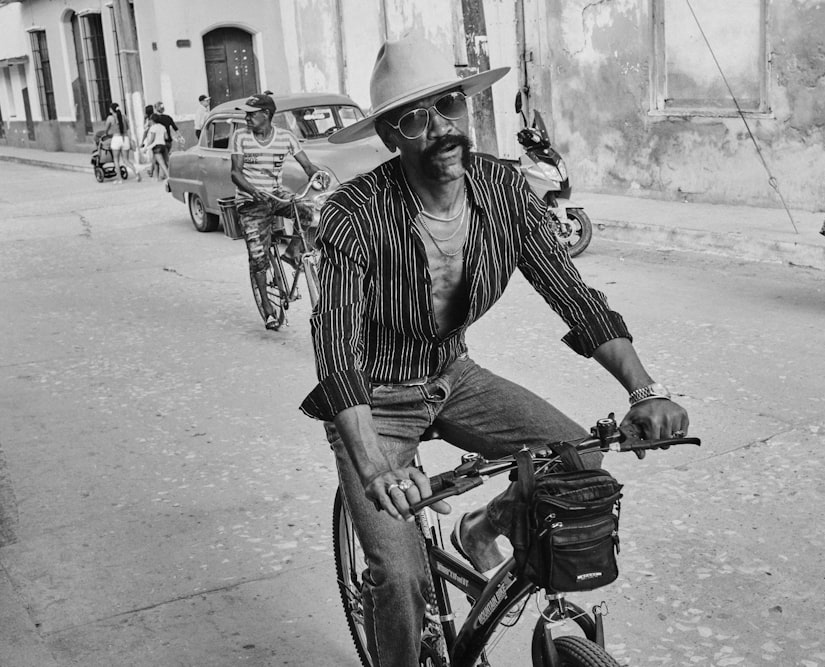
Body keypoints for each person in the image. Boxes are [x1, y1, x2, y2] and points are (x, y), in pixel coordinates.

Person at [299, 34, 689, 666]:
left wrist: (645, 391)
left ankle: (482, 527)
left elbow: (576, 298)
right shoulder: (356, 214)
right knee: (400, 580)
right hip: (375, 401)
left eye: (449, 106)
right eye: (414, 118)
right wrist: (375, 469)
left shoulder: (504, 192)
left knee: (578, 465)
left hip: (452, 375)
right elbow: (336, 351)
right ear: (391, 137)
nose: (441, 128)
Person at [229, 92, 326, 330]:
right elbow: (235, 172)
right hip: (250, 201)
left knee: (308, 212)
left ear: (266, 114)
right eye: (246, 115)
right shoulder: (240, 136)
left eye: (252, 115)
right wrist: (252, 191)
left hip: (275, 194)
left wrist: (317, 175)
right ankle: (267, 306)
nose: (247, 119)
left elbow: (307, 165)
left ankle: (293, 253)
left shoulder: (285, 137)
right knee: (258, 257)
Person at [103, 102, 142, 184]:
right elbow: (127, 128)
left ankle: (119, 179)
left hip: (116, 139)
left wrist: (107, 133)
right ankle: (136, 172)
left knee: (116, 160)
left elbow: (106, 129)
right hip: (125, 139)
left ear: (111, 110)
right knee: (126, 160)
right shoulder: (124, 117)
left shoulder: (110, 118)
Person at [141, 114, 169, 180]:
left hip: (156, 146)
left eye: (150, 120)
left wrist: (146, 148)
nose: (149, 121)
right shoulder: (162, 127)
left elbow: (152, 139)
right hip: (163, 145)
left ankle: (168, 177)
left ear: (152, 120)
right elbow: (166, 137)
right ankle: (156, 177)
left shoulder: (153, 128)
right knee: (158, 161)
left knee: (162, 163)